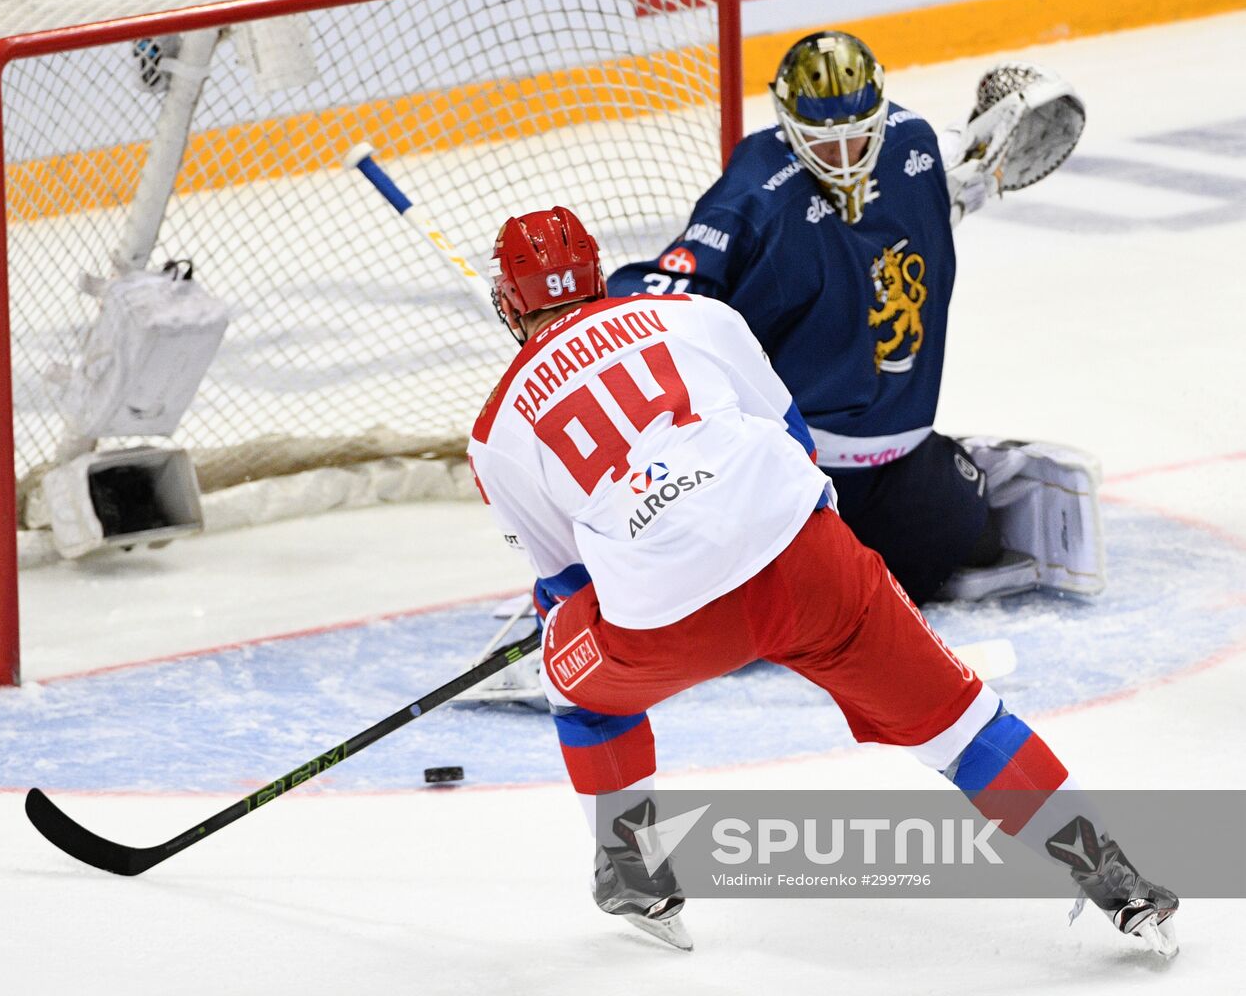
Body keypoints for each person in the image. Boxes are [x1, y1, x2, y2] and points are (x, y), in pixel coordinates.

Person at [466, 206, 1177, 954]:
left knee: (576, 693)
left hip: (671, 617)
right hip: (811, 562)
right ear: (599, 276)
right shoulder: (691, 315)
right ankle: (1114, 877)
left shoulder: (495, 429)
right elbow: (794, 437)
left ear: (509, 304)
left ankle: (636, 874)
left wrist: (586, 612)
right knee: (964, 727)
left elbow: (568, 586)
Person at [606, 31, 1101, 606]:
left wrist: (978, 167)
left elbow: (953, 178)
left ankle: (956, 460)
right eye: (822, 140)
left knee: (959, 553)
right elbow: (671, 287)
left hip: (900, 457)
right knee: (783, 610)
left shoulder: (913, 147)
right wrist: (601, 325)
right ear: (787, 121)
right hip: (791, 470)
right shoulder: (755, 189)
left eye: (857, 135)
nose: (842, 156)